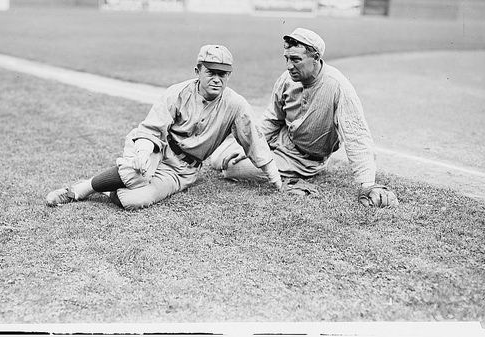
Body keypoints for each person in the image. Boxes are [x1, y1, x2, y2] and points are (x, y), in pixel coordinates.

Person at [46, 44, 282, 210]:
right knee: (136, 174)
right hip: (160, 150)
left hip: (183, 170)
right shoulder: (178, 93)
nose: (217, 79)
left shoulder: (235, 104)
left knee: (134, 201)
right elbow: (151, 129)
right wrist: (143, 153)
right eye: (211, 72)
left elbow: (254, 140)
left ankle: (109, 189)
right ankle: (79, 190)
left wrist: (273, 176)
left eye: (223, 74)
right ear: (197, 71)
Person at [210, 28, 398, 207]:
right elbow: (271, 119)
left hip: (305, 159)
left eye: (296, 60)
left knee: (232, 169)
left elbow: (357, 136)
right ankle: (270, 164)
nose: (289, 66)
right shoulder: (286, 79)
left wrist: (367, 185)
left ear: (315, 58)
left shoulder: (337, 86)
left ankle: (295, 179)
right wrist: (251, 147)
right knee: (218, 159)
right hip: (280, 142)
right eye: (287, 59)